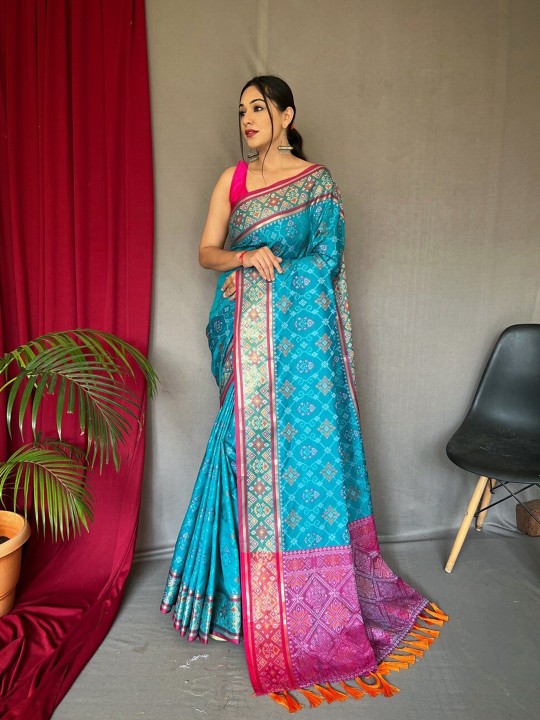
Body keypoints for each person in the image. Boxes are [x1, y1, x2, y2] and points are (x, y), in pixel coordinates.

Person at [161, 75, 447, 711]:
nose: (247, 119)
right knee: (239, 449)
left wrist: (269, 278)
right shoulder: (233, 180)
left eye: (258, 108)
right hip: (242, 334)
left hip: (295, 344)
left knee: (289, 461)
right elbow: (207, 252)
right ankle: (230, 601)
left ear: (286, 115)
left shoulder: (317, 183)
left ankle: (280, 601)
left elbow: (328, 258)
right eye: (241, 110)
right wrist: (245, 260)